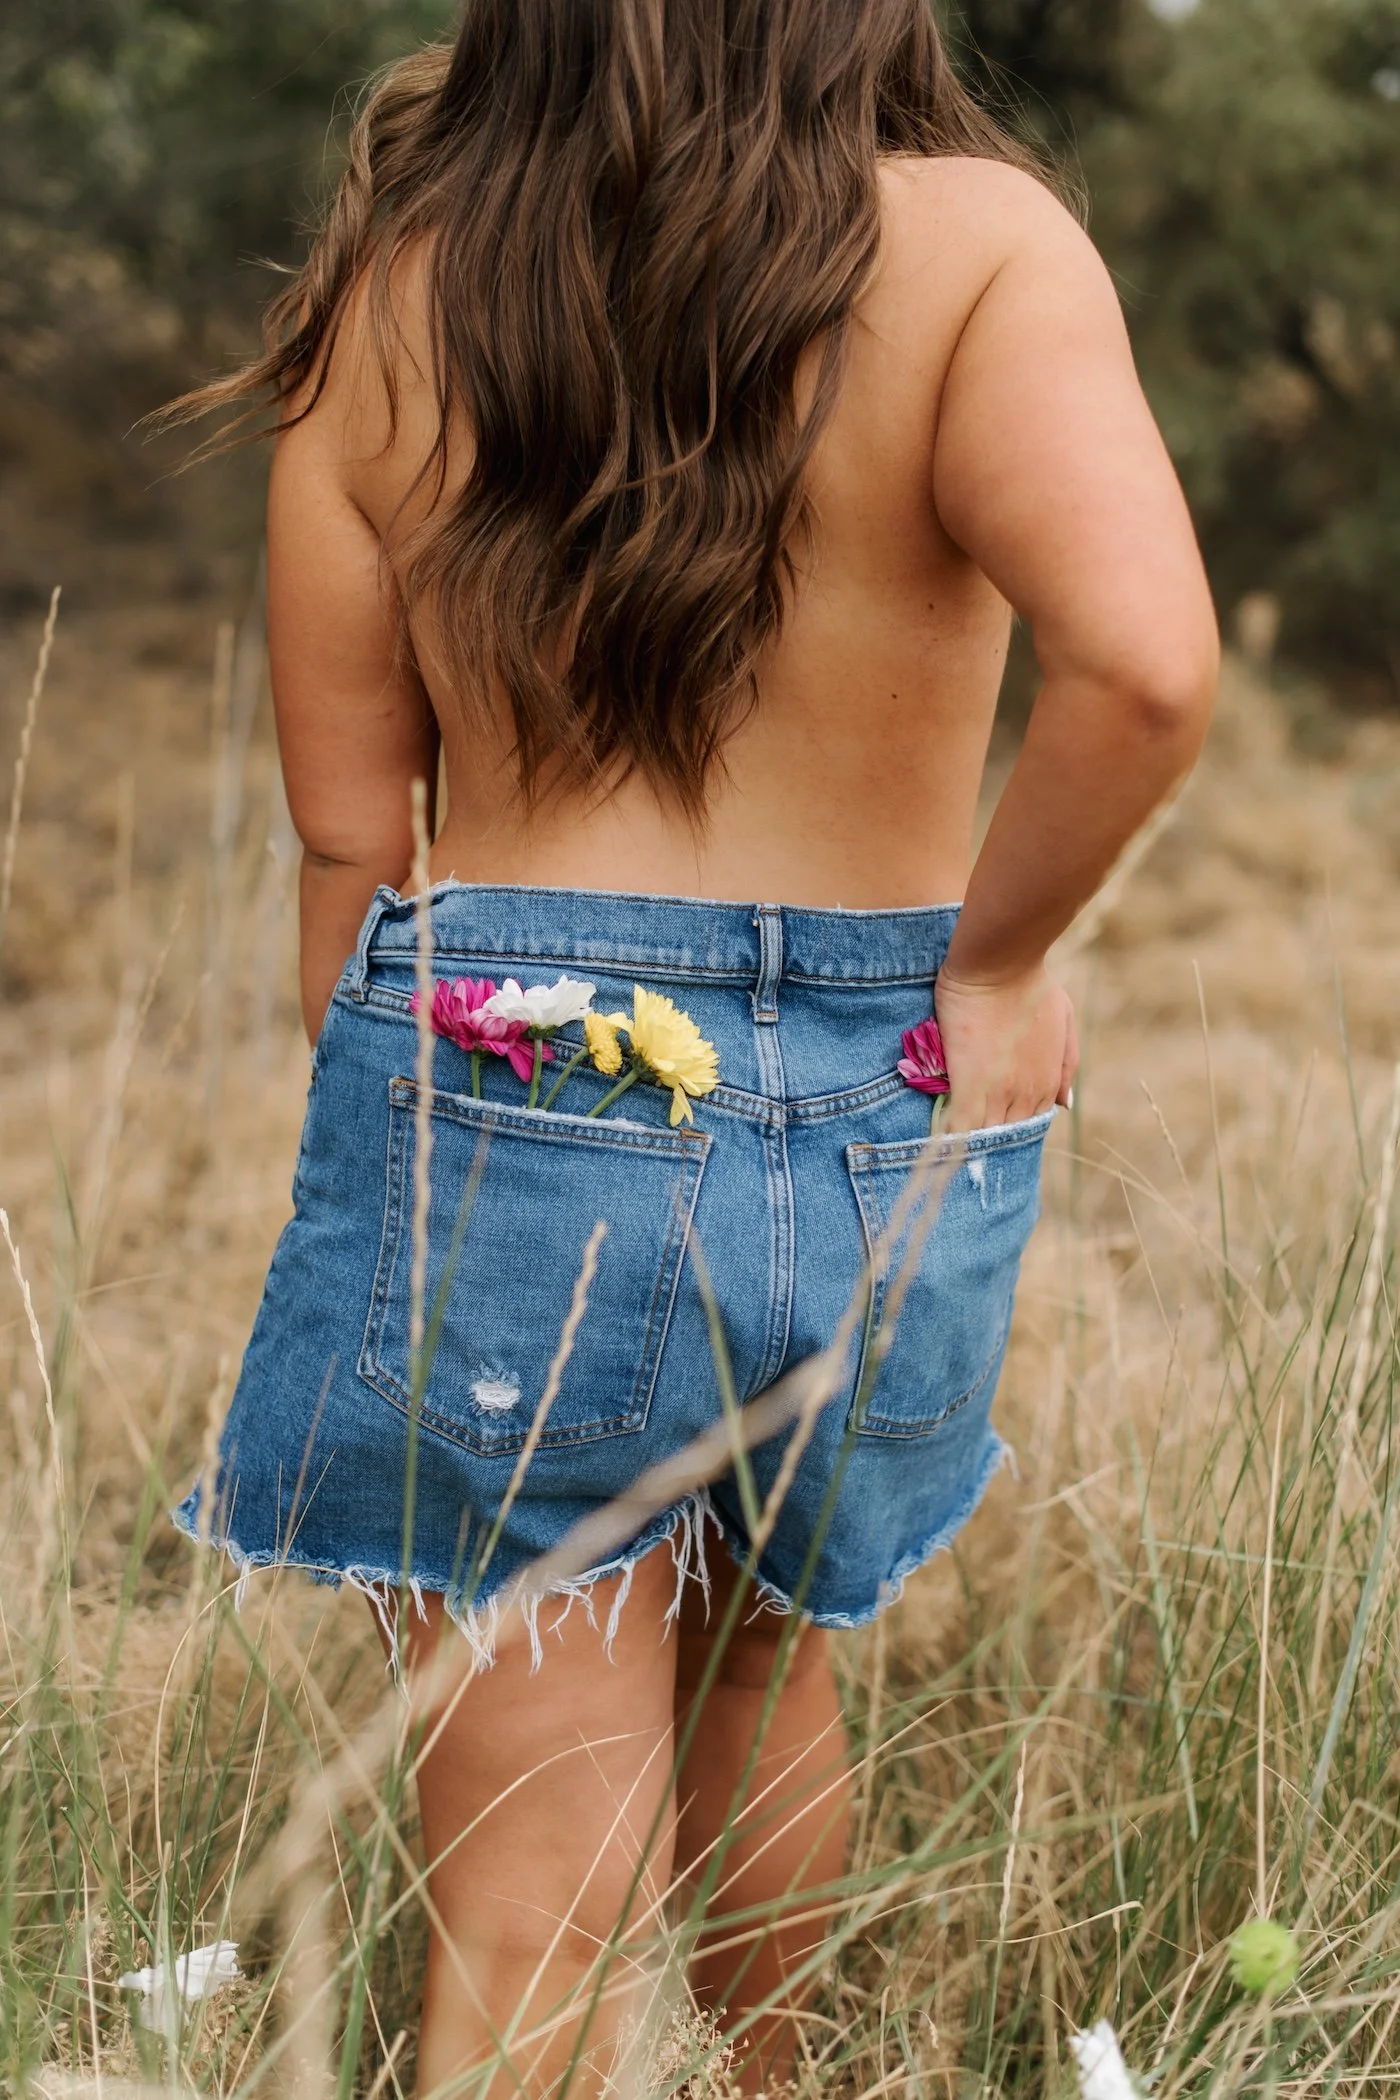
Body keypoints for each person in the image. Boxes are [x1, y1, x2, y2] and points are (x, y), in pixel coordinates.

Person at [167, 3, 1217, 2094]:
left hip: (508, 1066)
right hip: (888, 1108)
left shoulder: (397, 290)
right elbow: (1149, 662)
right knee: (763, 1669)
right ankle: (769, 2080)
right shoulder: (987, 250)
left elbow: (352, 838)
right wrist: (993, 965)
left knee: (528, 1809)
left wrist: (398, 1126)